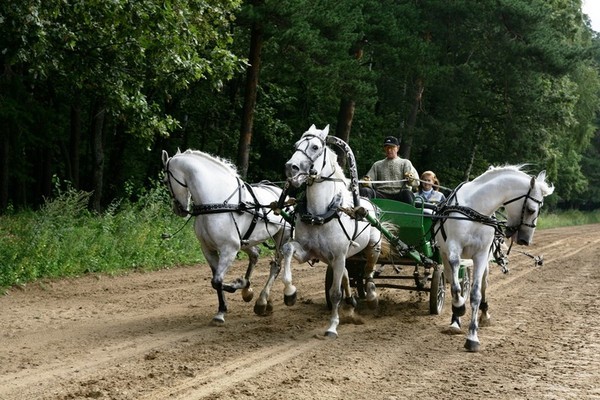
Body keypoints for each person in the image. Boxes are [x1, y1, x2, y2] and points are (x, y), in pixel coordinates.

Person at [359, 136, 419, 201]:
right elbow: (369, 180)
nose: (389, 150)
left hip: (399, 194)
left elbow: (417, 182)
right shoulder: (377, 165)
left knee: (407, 193)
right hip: (381, 194)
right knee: (365, 190)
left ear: (398, 148)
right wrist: (366, 182)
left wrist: (411, 180)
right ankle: (364, 210)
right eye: (387, 148)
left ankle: (409, 211)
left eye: (392, 147)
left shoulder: (405, 163)